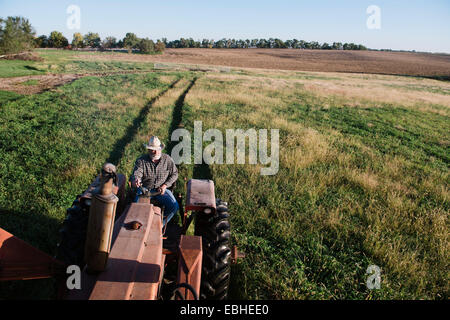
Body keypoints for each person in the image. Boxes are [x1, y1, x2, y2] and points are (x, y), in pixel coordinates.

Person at [130, 136, 179, 227]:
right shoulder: (141, 161)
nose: (156, 152)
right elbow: (137, 174)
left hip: (161, 190)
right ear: (148, 150)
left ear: (161, 149)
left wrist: (165, 186)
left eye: (157, 149)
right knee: (136, 209)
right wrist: (137, 180)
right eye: (153, 150)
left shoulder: (167, 159)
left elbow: (175, 174)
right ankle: (139, 226)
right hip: (145, 189)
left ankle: (159, 224)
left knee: (174, 206)